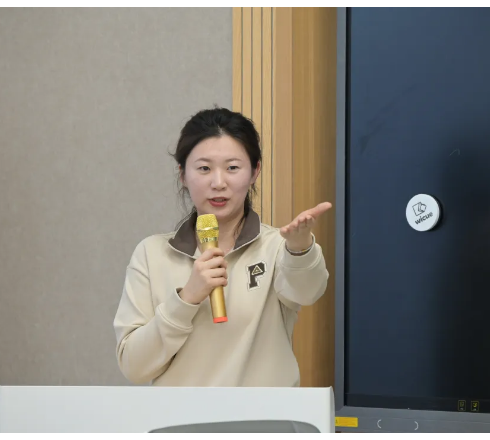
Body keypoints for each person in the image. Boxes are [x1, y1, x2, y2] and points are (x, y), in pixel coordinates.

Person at [113, 107, 331, 387]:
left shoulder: (278, 247)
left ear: (254, 171)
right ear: (183, 174)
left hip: (262, 415)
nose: (218, 183)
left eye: (232, 168)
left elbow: (308, 292)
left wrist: (300, 248)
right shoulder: (152, 253)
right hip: (180, 416)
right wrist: (186, 299)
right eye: (204, 168)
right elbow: (134, 367)